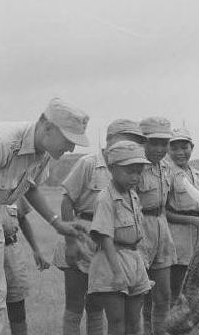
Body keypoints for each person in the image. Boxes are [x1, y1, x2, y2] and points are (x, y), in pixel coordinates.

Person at [0, 98, 89, 334]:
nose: (71, 149)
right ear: (47, 126)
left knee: (1, 295)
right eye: (68, 140)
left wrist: (57, 223)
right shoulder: (5, 142)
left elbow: (31, 186)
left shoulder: (44, 153)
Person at [56, 119, 146, 335]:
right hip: (84, 234)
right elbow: (67, 200)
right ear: (111, 138)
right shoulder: (89, 163)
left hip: (116, 245)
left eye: (135, 142)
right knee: (76, 301)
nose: (130, 145)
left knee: (98, 302)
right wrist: (71, 243)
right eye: (127, 139)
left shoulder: (130, 172)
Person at [87, 141, 153, 335]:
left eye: (139, 172)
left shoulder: (132, 196)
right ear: (112, 168)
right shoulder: (105, 198)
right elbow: (105, 237)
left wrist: (142, 262)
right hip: (112, 262)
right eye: (129, 171)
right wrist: (117, 273)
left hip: (134, 260)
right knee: (117, 321)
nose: (135, 177)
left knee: (134, 321)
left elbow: (137, 234)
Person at [137, 117, 177, 335]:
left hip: (162, 228)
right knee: (138, 294)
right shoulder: (133, 167)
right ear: (143, 141)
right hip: (137, 229)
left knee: (164, 295)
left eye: (164, 143)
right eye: (154, 143)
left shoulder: (166, 167)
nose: (160, 148)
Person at [164, 128, 199, 304]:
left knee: (191, 287)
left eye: (184, 147)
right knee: (175, 287)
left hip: (196, 237)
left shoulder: (196, 174)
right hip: (177, 238)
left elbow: (198, 206)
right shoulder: (167, 173)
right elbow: (163, 211)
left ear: (192, 147)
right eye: (174, 148)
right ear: (168, 150)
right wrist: (192, 220)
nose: (180, 153)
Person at [2, 198, 50, 335]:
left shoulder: (15, 186)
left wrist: (36, 249)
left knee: (16, 302)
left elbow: (22, 219)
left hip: (11, 250)